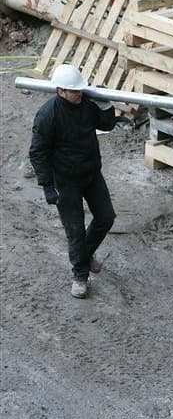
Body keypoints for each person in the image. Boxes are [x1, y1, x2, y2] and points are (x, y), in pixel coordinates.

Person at [29, 64, 117, 299]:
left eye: (80, 90)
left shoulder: (86, 105)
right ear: (61, 91)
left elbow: (107, 124)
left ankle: (85, 256)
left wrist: (105, 103)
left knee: (106, 217)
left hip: (90, 173)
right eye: (73, 91)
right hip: (65, 180)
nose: (78, 94)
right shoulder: (48, 115)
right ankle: (80, 276)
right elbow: (37, 152)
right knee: (75, 230)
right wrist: (47, 185)